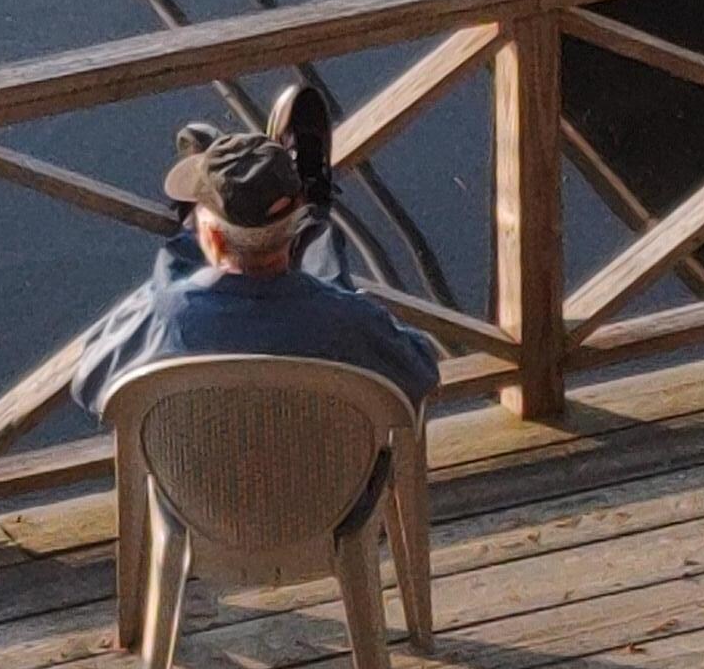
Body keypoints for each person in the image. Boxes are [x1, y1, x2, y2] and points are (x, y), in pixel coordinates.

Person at [67, 84, 441, 422]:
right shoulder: (349, 321)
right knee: (326, 275)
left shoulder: (164, 317)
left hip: (197, 496)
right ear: (290, 228)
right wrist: (356, 307)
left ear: (211, 240)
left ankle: (192, 226)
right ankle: (312, 211)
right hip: (333, 492)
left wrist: (162, 293)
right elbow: (422, 371)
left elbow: (88, 381)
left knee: (175, 269)